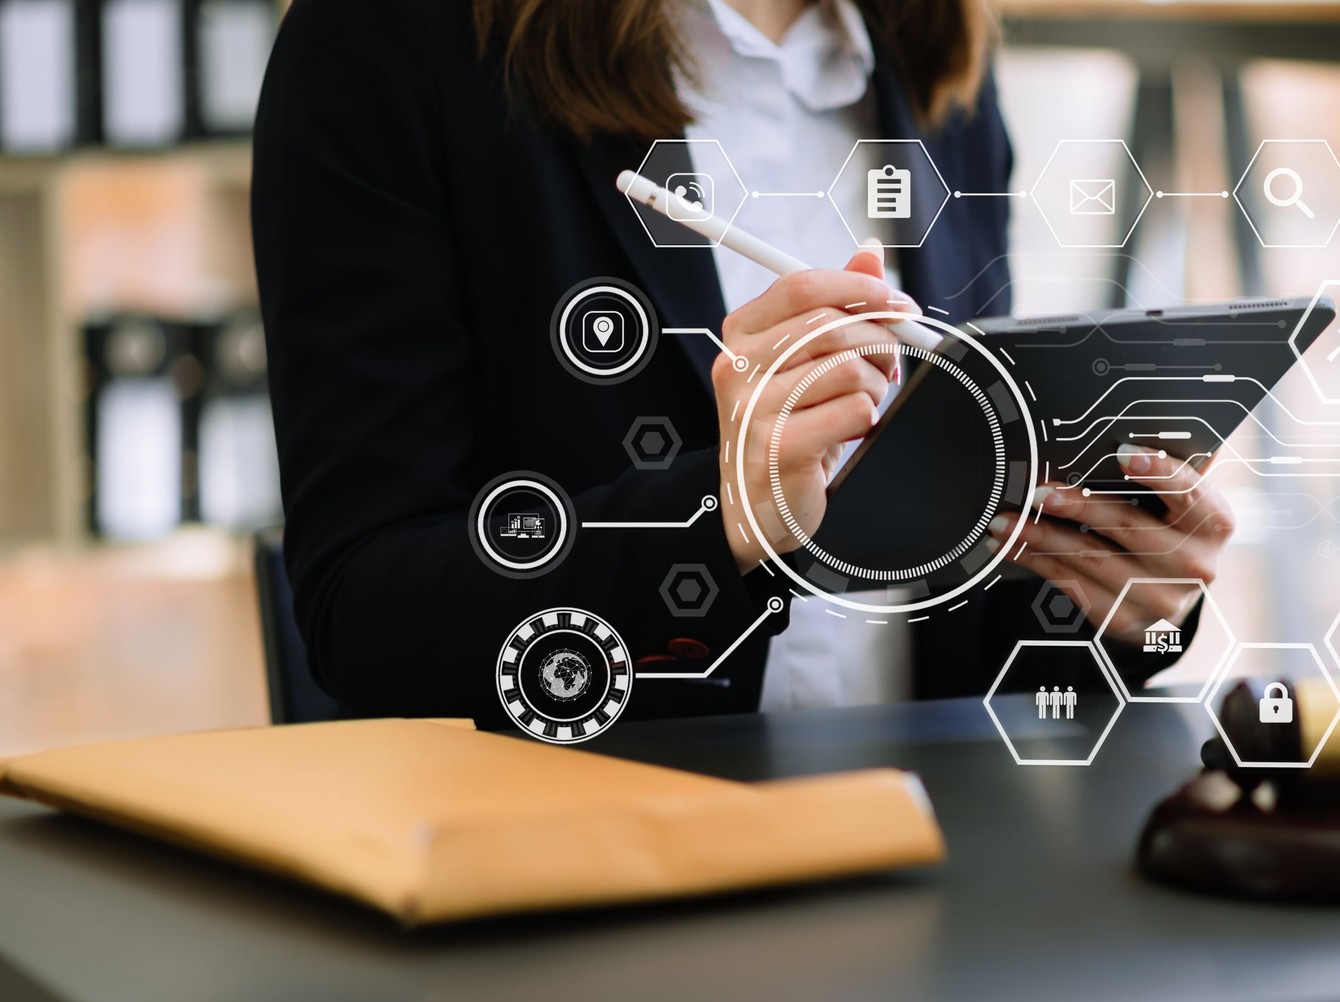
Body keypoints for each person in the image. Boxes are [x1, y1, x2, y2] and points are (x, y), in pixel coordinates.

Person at [252, 0, 1235, 724]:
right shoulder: (387, 40)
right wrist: (718, 520)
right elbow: (363, 614)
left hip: (920, 876)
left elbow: (954, 636)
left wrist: (1115, 602)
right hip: (579, 882)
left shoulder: (934, 72)